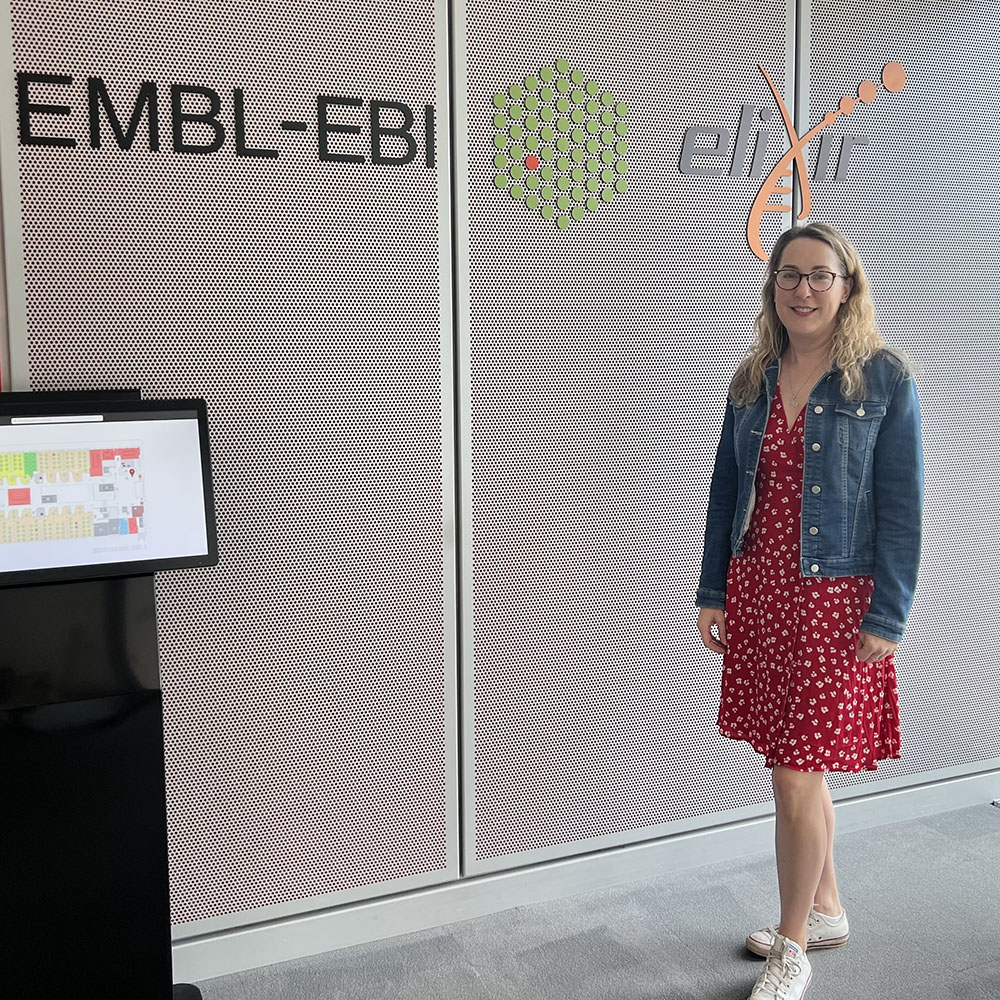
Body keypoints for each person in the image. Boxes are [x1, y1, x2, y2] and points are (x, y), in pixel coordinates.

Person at [696, 222, 923, 1000]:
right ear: (774, 289)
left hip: (838, 603)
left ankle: (791, 948)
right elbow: (727, 493)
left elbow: (903, 509)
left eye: (820, 276)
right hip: (762, 592)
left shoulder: (885, 379)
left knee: (797, 775)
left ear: (848, 285)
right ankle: (824, 908)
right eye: (789, 276)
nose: (803, 289)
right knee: (792, 769)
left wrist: (888, 615)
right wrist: (713, 590)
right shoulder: (754, 378)